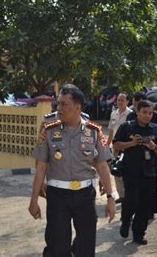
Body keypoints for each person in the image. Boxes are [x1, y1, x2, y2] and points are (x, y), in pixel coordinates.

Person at [29, 84, 116, 257]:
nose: (58, 108)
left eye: (63, 104)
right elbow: (40, 166)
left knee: (86, 246)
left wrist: (110, 198)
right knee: (58, 246)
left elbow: (102, 166)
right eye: (58, 104)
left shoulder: (94, 131)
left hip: (85, 195)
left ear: (77, 107)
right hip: (57, 196)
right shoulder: (48, 130)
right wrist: (33, 200)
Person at [113, 100, 157, 245]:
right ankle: (126, 221)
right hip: (131, 171)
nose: (148, 116)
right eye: (144, 112)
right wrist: (132, 143)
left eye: (150, 113)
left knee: (145, 204)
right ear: (137, 112)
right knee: (131, 200)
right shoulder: (127, 127)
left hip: (149, 172)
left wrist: (154, 147)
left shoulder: (156, 129)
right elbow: (116, 144)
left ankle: (138, 234)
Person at [126, 92, 157, 219]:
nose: (147, 115)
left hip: (152, 159)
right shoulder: (130, 117)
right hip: (134, 160)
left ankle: (150, 211)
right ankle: (131, 214)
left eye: (138, 101)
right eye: (135, 102)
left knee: (152, 187)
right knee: (133, 192)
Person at [106, 92, 132, 204]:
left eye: (122, 100)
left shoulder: (130, 114)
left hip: (126, 147)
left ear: (127, 102)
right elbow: (111, 131)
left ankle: (128, 195)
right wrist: (107, 146)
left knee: (127, 172)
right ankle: (121, 195)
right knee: (116, 171)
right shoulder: (113, 114)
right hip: (115, 147)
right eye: (118, 100)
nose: (120, 102)